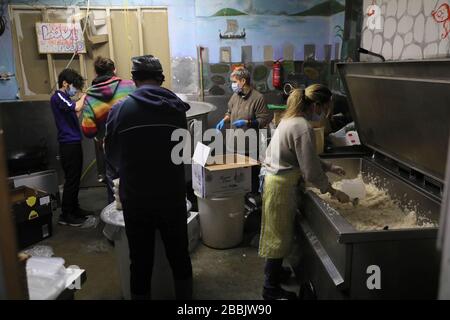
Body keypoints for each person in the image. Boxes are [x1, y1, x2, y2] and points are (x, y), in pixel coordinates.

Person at [105, 55, 193, 300]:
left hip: (136, 199)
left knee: (140, 262)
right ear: (161, 78)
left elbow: (111, 155)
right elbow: (183, 154)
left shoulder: (120, 110)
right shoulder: (177, 110)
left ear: (134, 80)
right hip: (172, 196)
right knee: (180, 257)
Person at [259, 88, 350, 300]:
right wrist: (333, 191)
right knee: (277, 237)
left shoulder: (290, 120)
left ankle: (275, 272)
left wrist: (328, 167)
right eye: (326, 109)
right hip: (280, 184)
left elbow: (304, 156)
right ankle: (269, 288)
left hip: (273, 179)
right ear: (317, 106)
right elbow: (309, 171)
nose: (325, 114)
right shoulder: (303, 127)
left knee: (277, 232)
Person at [81, 56, 135, 203]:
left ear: (96, 74)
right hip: (136, 144)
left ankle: (118, 222)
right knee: (138, 184)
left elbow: (89, 130)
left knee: (115, 190)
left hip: (111, 148)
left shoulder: (90, 97)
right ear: (114, 70)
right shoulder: (130, 86)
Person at [215, 67, 273, 191]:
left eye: (234, 82)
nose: (233, 85)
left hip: (250, 148)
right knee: (235, 179)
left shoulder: (258, 98)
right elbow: (230, 112)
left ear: (243, 81)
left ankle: (253, 203)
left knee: (250, 180)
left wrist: (248, 122)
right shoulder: (235, 96)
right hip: (233, 145)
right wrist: (225, 119)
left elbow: (264, 120)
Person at [50, 68, 89, 227]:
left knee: (75, 178)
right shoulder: (58, 96)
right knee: (71, 180)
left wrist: (82, 100)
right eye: (74, 86)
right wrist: (85, 96)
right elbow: (76, 108)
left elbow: (76, 114)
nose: (75, 90)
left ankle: (74, 209)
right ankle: (66, 214)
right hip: (68, 144)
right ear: (65, 83)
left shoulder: (66, 98)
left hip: (73, 142)